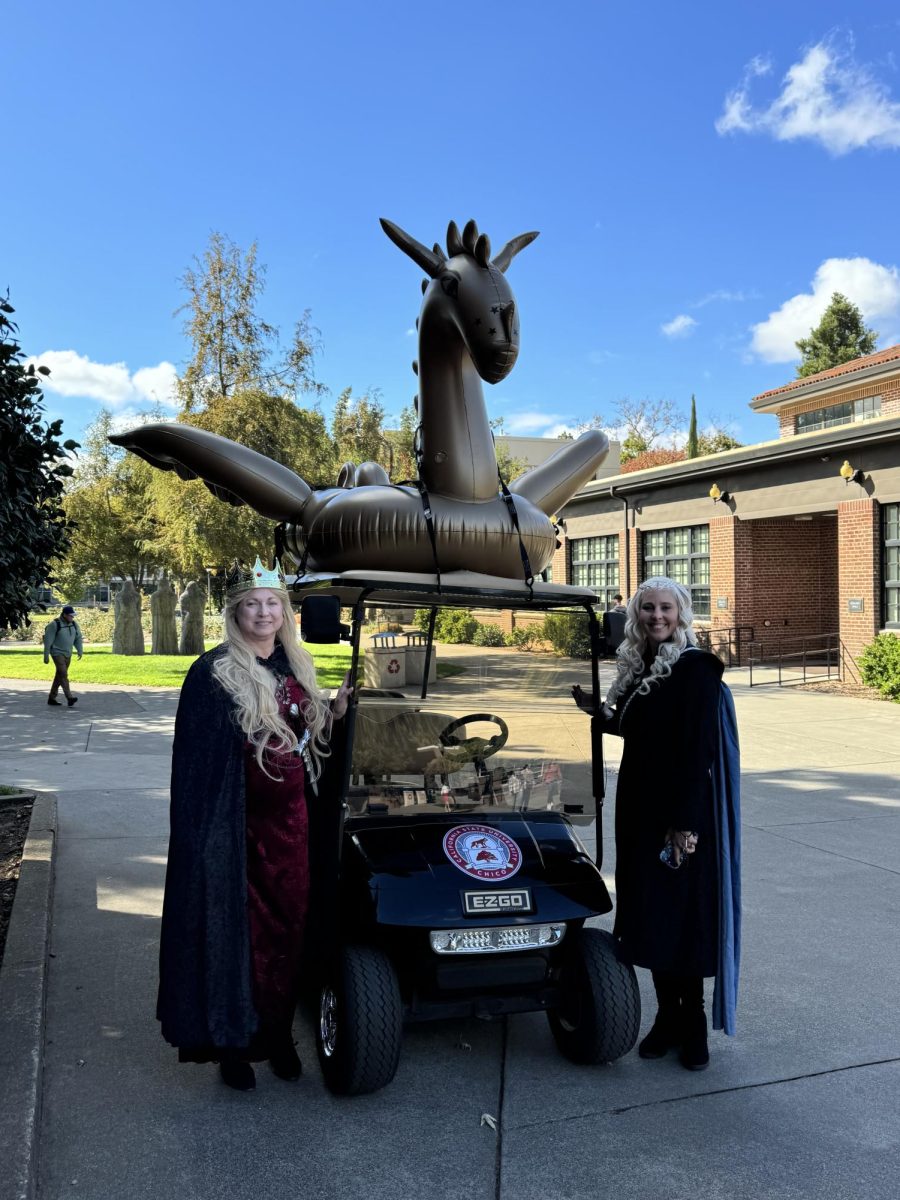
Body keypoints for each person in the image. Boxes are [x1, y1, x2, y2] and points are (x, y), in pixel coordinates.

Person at [158, 557, 353, 1092]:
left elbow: (309, 740)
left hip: (291, 832)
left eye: (272, 604)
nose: (263, 612)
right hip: (236, 833)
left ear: (284, 613)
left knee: (288, 935)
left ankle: (279, 1037)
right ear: (236, 612)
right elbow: (201, 767)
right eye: (252, 604)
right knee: (238, 938)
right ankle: (234, 1045)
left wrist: (333, 712)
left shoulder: (295, 664)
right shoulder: (214, 673)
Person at [572, 576, 740, 1071]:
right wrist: (597, 714)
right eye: (647, 608)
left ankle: (693, 1029)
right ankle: (666, 1019)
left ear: (681, 613)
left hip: (679, 818)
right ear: (636, 615)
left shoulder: (696, 669)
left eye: (665, 608)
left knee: (683, 922)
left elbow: (697, 751)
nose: (656, 617)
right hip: (641, 813)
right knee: (653, 917)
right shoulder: (643, 664)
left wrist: (685, 825)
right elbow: (639, 730)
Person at [43, 604, 83, 706]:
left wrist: (79, 650)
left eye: (73, 616)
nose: (72, 617)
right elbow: (48, 641)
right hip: (57, 653)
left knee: (59, 675)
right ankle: (69, 697)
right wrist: (46, 655)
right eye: (70, 615)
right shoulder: (54, 624)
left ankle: (51, 698)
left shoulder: (74, 624)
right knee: (64, 674)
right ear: (64, 615)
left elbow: (78, 638)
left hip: (68, 653)